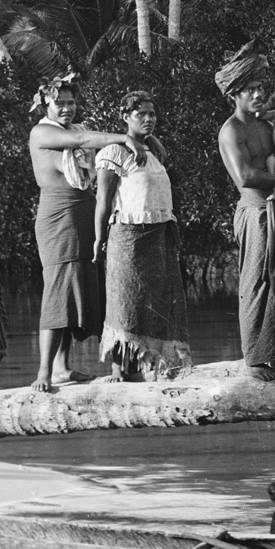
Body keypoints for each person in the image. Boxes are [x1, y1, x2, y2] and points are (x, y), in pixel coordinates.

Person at [28, 74, 126, 393]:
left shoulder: (75, 130)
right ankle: (44, 372)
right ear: (46, 104)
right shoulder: (42, 131)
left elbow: (91, 149)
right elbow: (84, 144)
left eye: (71, 102)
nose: (67, 108)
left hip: (83, 212)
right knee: (58, 291)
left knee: (76, 290)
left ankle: (62, 368)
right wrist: (128, 137)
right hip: (58, 216)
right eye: (60, 103)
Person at [219, 49, 275, 378]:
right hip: (256, 211)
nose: (258, 94)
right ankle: (255, 358)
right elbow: (244, 176)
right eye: (249, 90)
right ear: (234, 95)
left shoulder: (263, 124)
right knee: (257, 283)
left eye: (260, 87)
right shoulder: (232, 131)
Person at [92, 88, 186, 383]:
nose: (148, 119)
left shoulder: (155, 151)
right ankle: (118, 369)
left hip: (157, 233)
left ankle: (150, 365)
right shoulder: (113, 152)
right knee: (126, 300)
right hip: (128, 234)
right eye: (140, 114)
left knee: (154, 301)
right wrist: (98, 238)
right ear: (125, 117)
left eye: (152, 114)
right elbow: (103, 200)